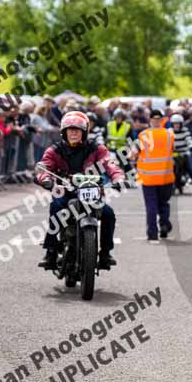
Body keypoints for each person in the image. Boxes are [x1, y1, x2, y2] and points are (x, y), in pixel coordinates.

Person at [36, 112, 123, 270]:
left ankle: (105, 253)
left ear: (84, 132)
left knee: (108, 214)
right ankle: (51, 251)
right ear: (64, 132)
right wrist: (45, 179)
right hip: (65, 192)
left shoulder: (96, 148)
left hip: (91, 192)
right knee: (56, 208)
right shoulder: (55, 150)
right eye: (70, 130)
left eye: (78, 129)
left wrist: (117, 178)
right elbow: (45, 166)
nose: (74, 133)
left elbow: (110, 164)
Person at [133, 110, 175, 242]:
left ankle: (152, 233)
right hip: (166, 177)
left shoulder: (143, 135)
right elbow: (172, 150)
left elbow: (133, 153)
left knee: (151, 206)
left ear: (150, 120)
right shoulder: (169, 134)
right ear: (162, 120)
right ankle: (164, 224)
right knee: (164, 203)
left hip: (148, 178)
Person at [169, 114, 192, 195]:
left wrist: (191, 146)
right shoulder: (169, 131)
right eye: (175, 123)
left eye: (178, 123)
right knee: (171, 171)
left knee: (190, 169)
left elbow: (189, 139)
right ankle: (173, 187)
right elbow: (166, 141)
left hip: (184, 153)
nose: (176, 125)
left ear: (181, 124)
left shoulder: (185, 131)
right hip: (173, 154)